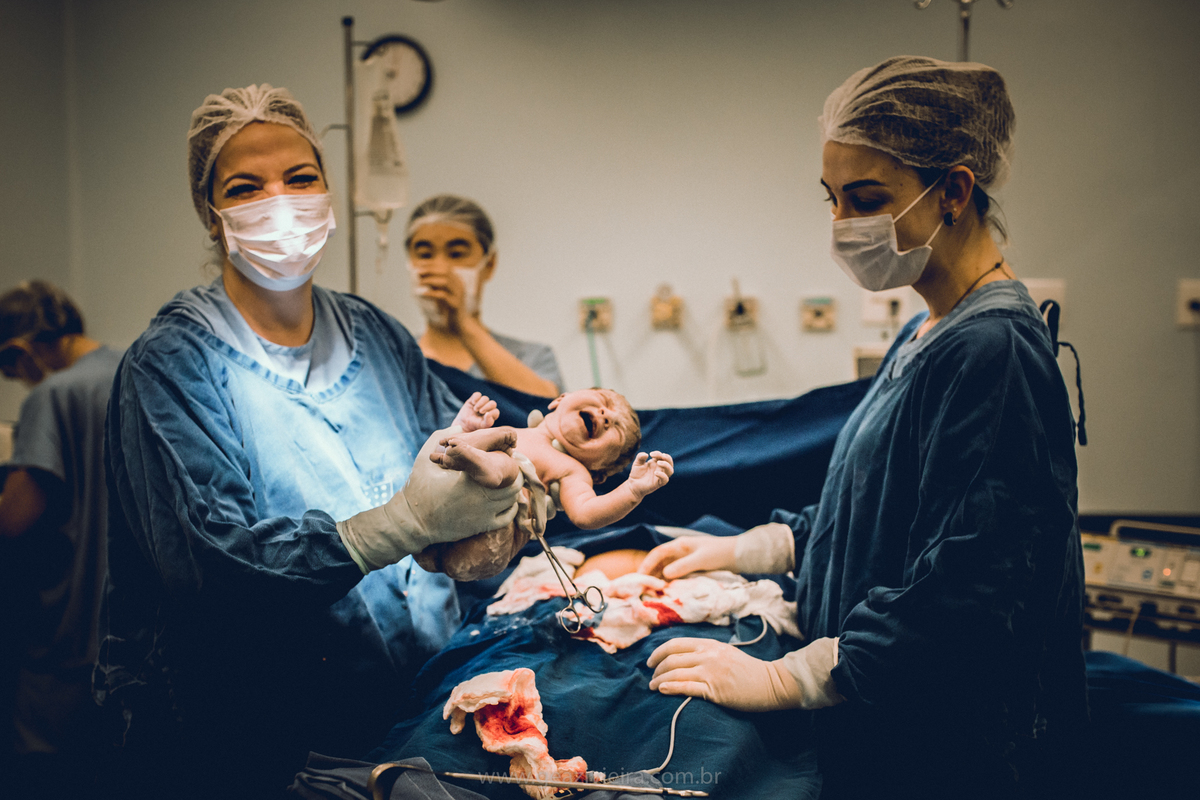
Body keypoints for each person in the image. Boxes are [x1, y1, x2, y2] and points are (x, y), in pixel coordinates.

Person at [639, 56, 1087, 799]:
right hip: (883, 715)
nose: (844, 225)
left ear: (954, 191)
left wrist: (789, 679)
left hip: (954, 754)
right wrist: (749, 548)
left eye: (868, 199)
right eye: (833, 199)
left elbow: (971, 585)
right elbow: (873, 509)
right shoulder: (927, 331)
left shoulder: (993, 347)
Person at [94, 85, 524, 800]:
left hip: (414, 709)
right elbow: (213, 572)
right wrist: (399, 524)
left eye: (300, 178)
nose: (282, 203)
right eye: (245, 187)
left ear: (327, 191)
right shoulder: (170, 367)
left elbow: (463, 462)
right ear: (210, 213)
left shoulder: (375, 335)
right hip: (252, 745)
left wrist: (503, 503)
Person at [0, 280, 119, 796]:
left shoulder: (53, 394)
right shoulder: (135, 370)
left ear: (19, 350)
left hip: (68, 644)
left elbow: (16, 518)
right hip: (133, 639)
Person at [435, 388, 673, 530]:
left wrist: (632, 490)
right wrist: (467, 427)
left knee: (507, 462)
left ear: (598, 473)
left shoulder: (572, 470)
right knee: (463, 443)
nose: (606, 415)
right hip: (440, 494)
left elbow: (585, 514)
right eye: (605, 401)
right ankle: (463, 436)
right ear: (560, 399)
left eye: (617, 429)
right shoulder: (515, 431)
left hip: (481, 516)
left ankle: (480, 461)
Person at [406, 194, 563, 396]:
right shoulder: (397, 359)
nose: (440, 268)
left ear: (489, 265)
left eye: (456, 254)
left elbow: (547, 408)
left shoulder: (531, 357)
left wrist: (463, 323)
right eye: (425, 255)